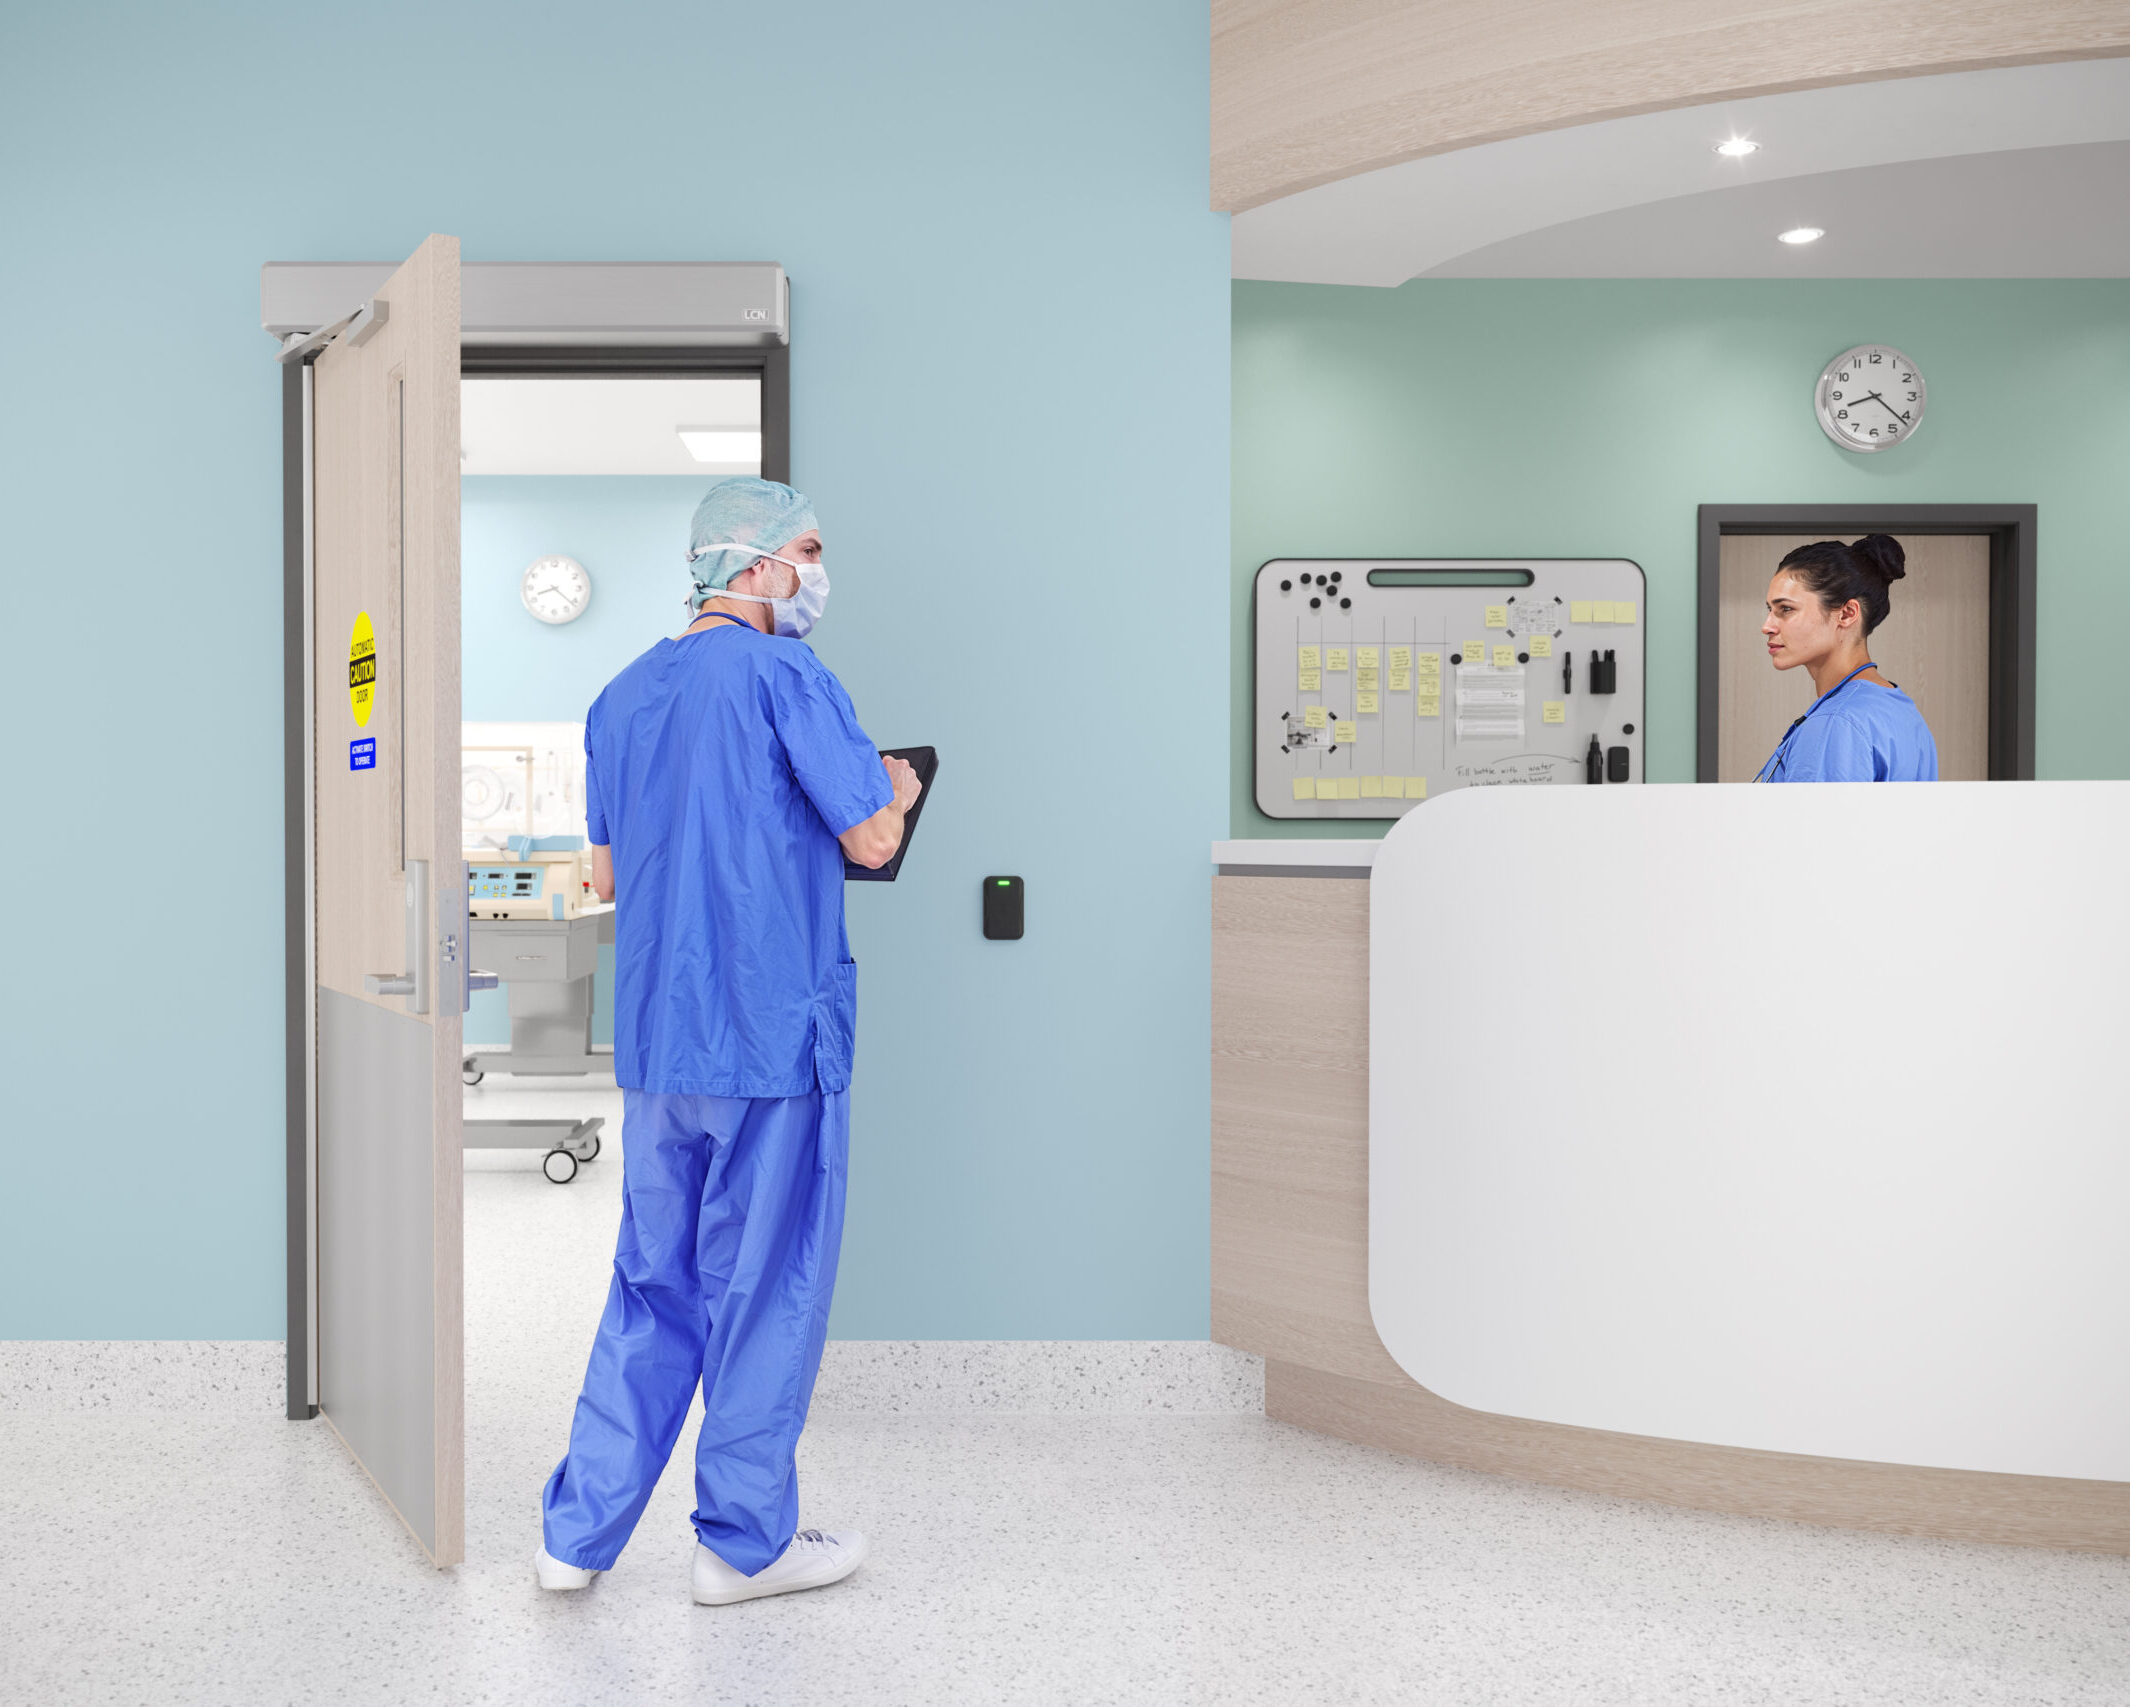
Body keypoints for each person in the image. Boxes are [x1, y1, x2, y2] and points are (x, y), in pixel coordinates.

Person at [533, 477, 922, 1606]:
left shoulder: (618, 697)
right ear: (750, 566)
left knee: (651, 1284)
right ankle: (741, 1546)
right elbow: (867, 836)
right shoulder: (787, 675)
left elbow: (605, 875)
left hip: (661, 1045)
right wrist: (890, 786)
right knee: (766, 1288)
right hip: (770, 1039)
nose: (814, 573)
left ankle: (575, 1538)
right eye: (804, 550)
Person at [1754, 534, 1938, 783]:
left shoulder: (1836, 723)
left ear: (1847, 614)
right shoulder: (1901, 709)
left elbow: (1812, 823)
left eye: (1785, 609)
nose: (1767, 626)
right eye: (1770, 610)